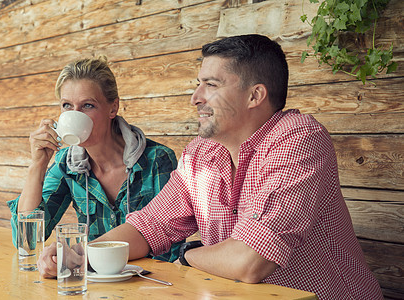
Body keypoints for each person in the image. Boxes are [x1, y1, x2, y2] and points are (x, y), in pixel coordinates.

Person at [38, 35, 383, 299]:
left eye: (211, 85)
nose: (196, 97)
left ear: (254, 95)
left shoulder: (298, 140)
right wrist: (77, 254)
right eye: (198, 84)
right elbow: (147, 227)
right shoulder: (201, 153)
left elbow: (249, 261)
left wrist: (189, 255)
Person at [7, 56, 182, 270]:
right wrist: (38, 165)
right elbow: (27, 241)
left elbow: (170, 245)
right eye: (67, 106)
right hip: (92, 280)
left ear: (112, 108)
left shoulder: (157, 159)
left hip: (149, 281)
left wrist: (78, 255)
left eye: (87, 105)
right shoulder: (67, 164)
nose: (75, 115)